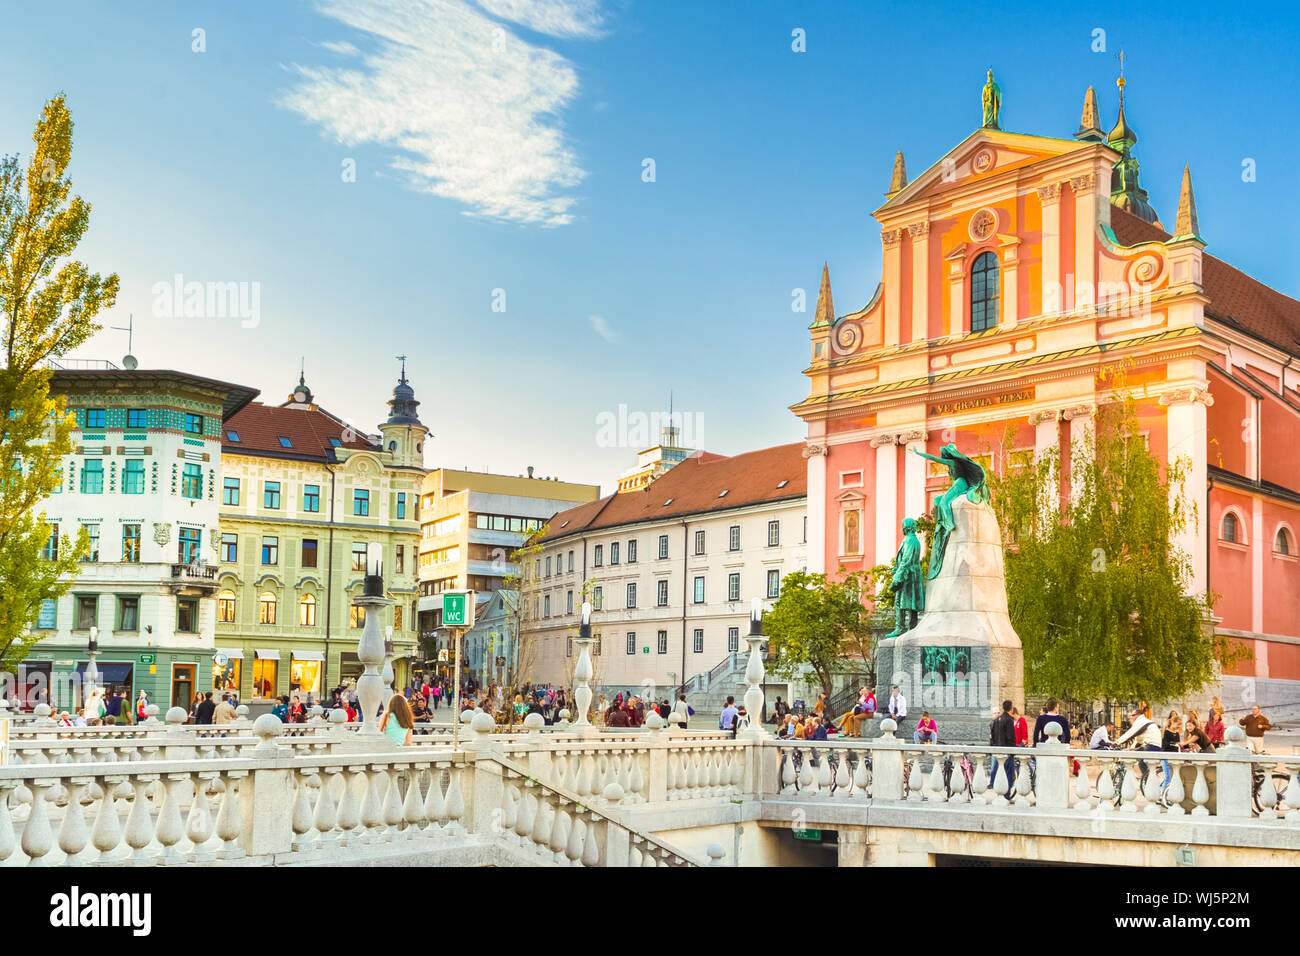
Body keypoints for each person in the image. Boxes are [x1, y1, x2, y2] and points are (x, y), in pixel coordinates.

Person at [989, 700, 1016, 791]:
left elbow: (993, 735)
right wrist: (1013, 750)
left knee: (998, 773)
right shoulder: (1008, 720)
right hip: (1007, 751)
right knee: (1009, 775)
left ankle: (999, 791)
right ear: (1011, 708)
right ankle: (1006, 794)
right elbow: (1010, 737)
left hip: (998, 750)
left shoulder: (997, 720)